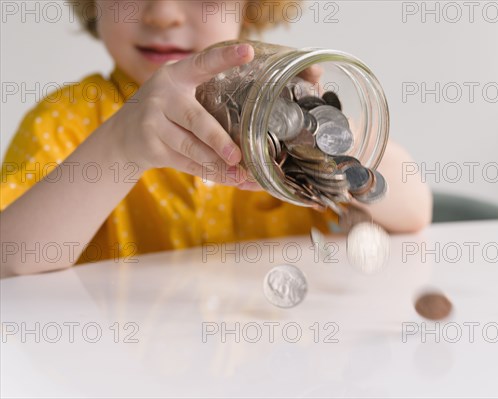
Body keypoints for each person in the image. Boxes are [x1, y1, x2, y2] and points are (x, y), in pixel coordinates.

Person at [0, 1, 432, 278]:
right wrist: (118, 146)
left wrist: (321, 134)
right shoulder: (67, 118)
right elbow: (11, 258)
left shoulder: (281, 104)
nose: (162, 13)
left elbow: (413, 209)